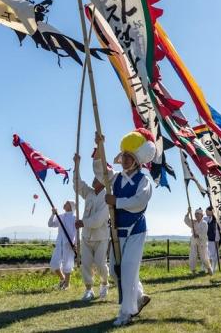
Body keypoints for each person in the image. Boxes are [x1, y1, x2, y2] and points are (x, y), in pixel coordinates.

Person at [95, 129, 155, 327]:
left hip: (136, 230)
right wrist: (99, 150)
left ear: (137, 159)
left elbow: (140, 201)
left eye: (129, 156)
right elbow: (100, 173)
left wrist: (116, 201)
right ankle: (138, 296)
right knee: (114, 270)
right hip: (118, 231)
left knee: (128, 270)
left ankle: (126, 312)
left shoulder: (143, 180)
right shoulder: (116, 178)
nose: (125, 159)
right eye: (124, 156)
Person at [73, 154, 110, 301]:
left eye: (96, 177)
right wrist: (77, 165)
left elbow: (99, 220)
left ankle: (104, 283)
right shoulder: (89, 193)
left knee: (101, 264)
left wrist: (83, 222)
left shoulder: (107, 196)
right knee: (86, 264)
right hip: (86, 236)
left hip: (100, 236)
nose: (93, 178)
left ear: (102, 181)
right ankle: (89, 289)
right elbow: (77, 184)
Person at [48, 201, 77, 290]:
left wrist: (75, 244)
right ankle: (63, 279)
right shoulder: (60, 216)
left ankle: (67, 285)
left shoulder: (75, 218)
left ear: (71, 206)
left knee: (67, 265)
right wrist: (53, 214)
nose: (64, 203)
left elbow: (77, 232)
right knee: (54, 263)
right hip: (59, 243)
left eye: (67, 203)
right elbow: (50, 224)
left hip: (69, 244)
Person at [184, 208, 213, 275]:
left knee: (204, 257)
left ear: (201, 215)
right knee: (193, 255)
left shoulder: (204, 223)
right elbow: (186, 221)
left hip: (202, 241)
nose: (196, 216)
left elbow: (204, 233)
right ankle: (193, 270)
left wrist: (198, 235)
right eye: (195, 214)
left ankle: (209, 268)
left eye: (198, 214)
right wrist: (188, 212)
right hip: (194, 241)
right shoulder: (194, 222)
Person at [204, 206, 221, 272]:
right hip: (206, 239)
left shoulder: (215, 220)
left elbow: (216, 231)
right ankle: (207, 268)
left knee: (214, 255)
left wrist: (217, 240)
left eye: (207, 211)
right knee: (207, 255)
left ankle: (213, 268)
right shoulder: (205, 219)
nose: (206, 212)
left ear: (211, 211)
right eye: (206, 211)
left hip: (213, 240)